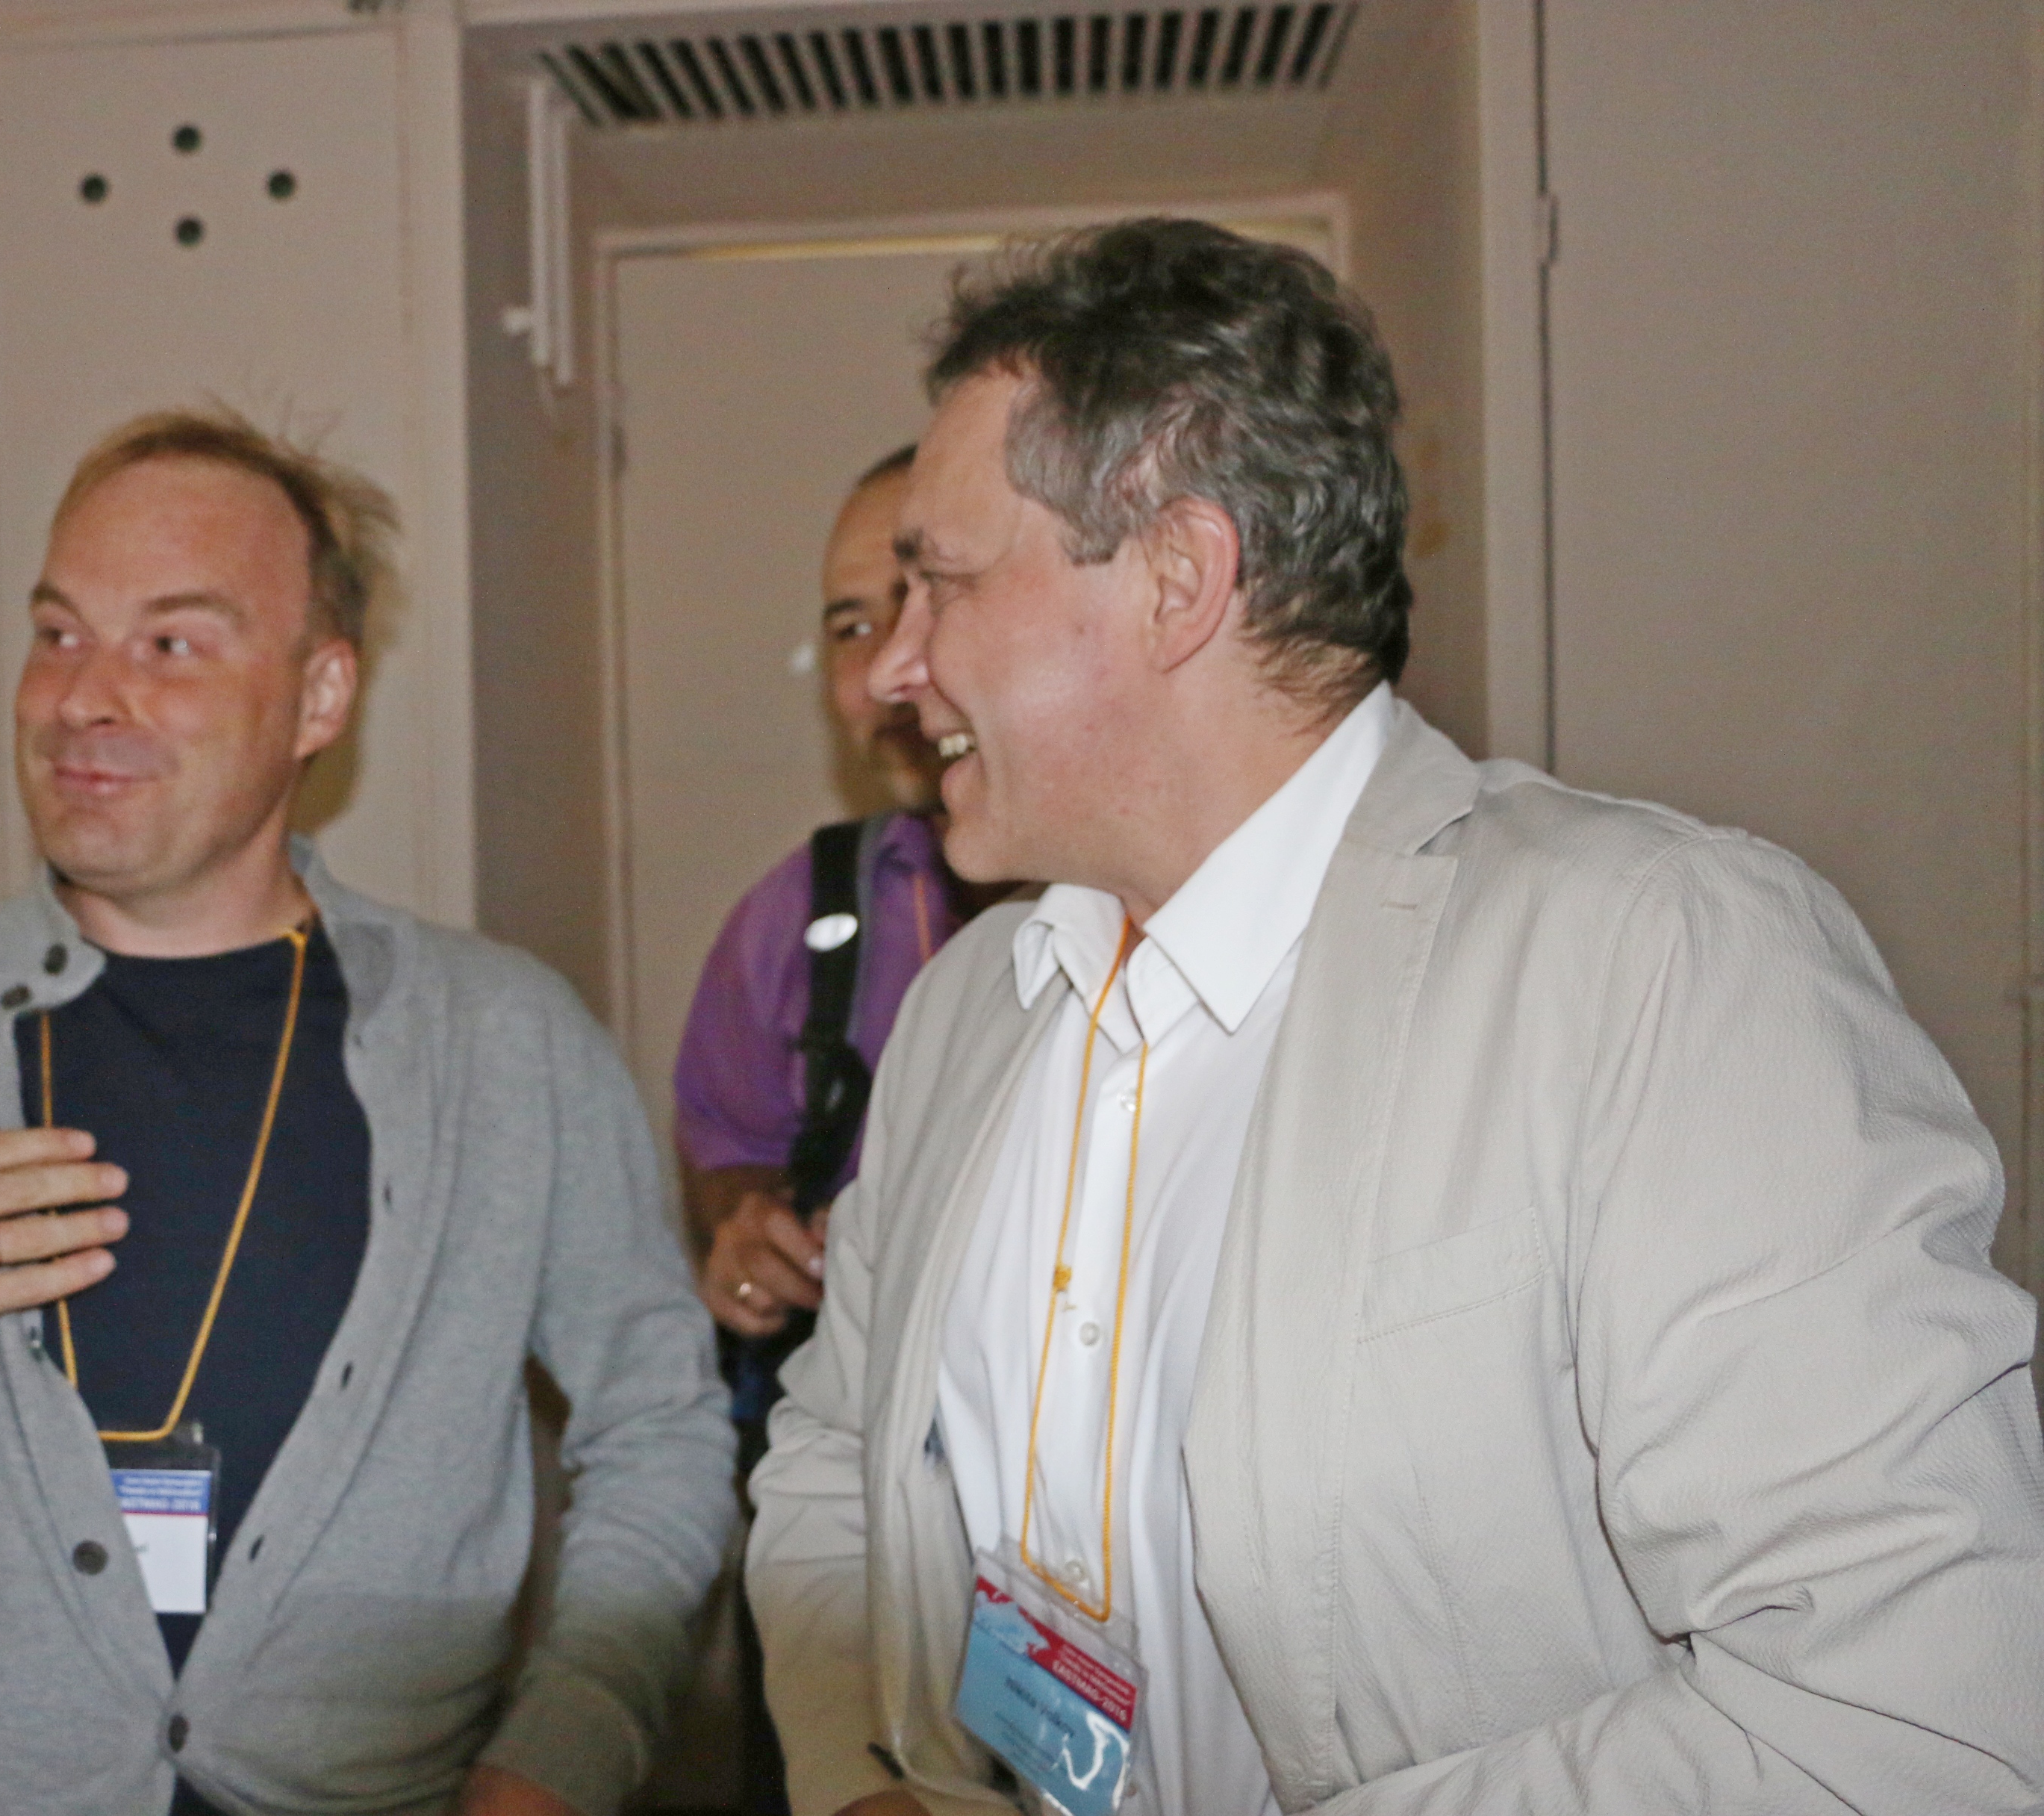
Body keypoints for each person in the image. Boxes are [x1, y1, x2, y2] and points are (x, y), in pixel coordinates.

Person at [746, 219, 2044, 1816]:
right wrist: (862, 1778)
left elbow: (1923, 1717)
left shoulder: (1653, 965)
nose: (893, 671)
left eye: (941, 582)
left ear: (1176, 580)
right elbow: (837, 1450)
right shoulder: (969, 1010)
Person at [0, 408, 738, 1816]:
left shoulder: (503, 1047)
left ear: (320, 697)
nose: (83, 696)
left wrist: (562, 1754)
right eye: (59, 633)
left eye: (170, 643)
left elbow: (662, 1435)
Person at [671, 448, 999, 1816]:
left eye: (918, 600)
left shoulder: (1143, 900)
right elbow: (727, 1139)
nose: (882, 676)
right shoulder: (799, 916)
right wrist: (747, 1226)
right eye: (849, 627)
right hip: (844, 1518)